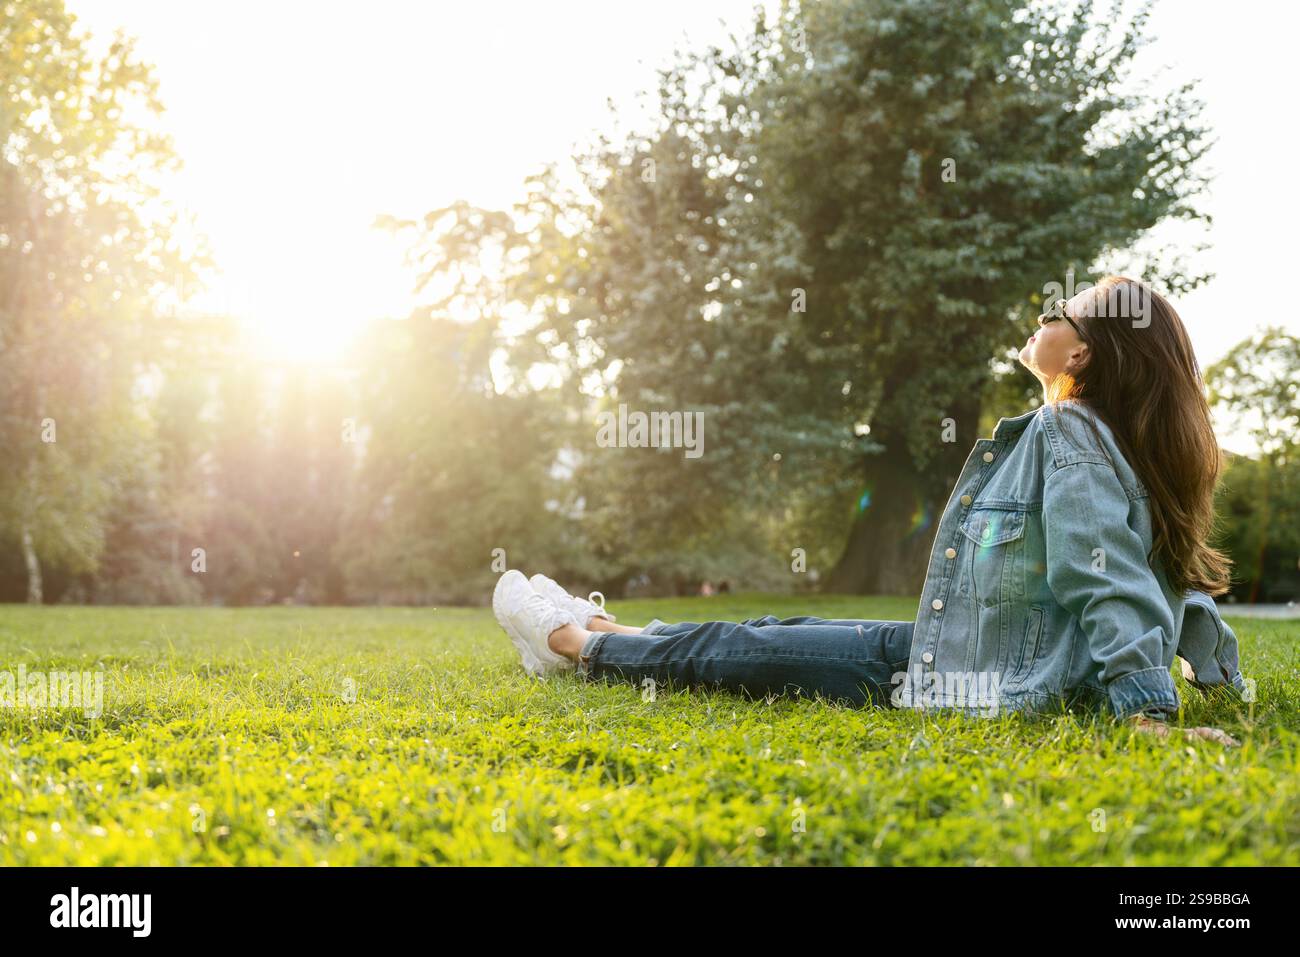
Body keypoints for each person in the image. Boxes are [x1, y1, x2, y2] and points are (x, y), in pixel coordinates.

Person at [492, 277, 1246, 746]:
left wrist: (1145, 708)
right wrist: (1221, 677)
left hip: (975, 677)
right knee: (769, 632)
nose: (1044, 315)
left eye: (1061, 311)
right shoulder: (1111, 446)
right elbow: (1170, 587)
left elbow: (1100, 572)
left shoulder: (1071, 431)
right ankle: (601, 627)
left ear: (1078, 355)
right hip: (955, 648)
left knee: (745, 657)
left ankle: (568, 642)